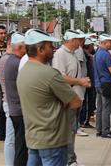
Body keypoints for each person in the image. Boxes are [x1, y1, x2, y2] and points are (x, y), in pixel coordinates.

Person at [17, 29, 82, 166]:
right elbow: (75, 102)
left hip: (33, 138)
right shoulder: (50, 74)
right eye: (50, 46)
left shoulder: (23, 72)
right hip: (53, 140)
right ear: (40, 49)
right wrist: (61, 103)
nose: (53, 49)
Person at [52, 29, 91, 166]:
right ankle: (69, 160)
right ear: (72, 40)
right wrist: (80, 81)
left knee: (72, 129)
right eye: (78, 39)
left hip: (75, 98)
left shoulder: (73, 53)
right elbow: (60, 77)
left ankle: (70, 157)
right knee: (68, 130)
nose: (81, 42)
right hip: (67, 99)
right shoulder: (60, 55)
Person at [4, 32, 27, 166]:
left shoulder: (11, 60)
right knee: (21, 147)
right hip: (19, 110)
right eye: (26, 47)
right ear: (19, 47)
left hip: (15, 109)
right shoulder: (17, 63)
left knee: (20, 145)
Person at [0, 33, 14, 165]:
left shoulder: (7, 58)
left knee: (12, 138)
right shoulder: (7, 60)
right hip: (11, 102)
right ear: (10, 43)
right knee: (11, 138)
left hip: (10, 102)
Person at [80, 38, 97, 129]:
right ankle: (84, 121)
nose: (93, 47)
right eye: (91, 45)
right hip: (87, 81)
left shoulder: (87, 54)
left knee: (90, 101)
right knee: (87, 102)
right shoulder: (84, 54)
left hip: (90, 81)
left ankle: (86, 119)